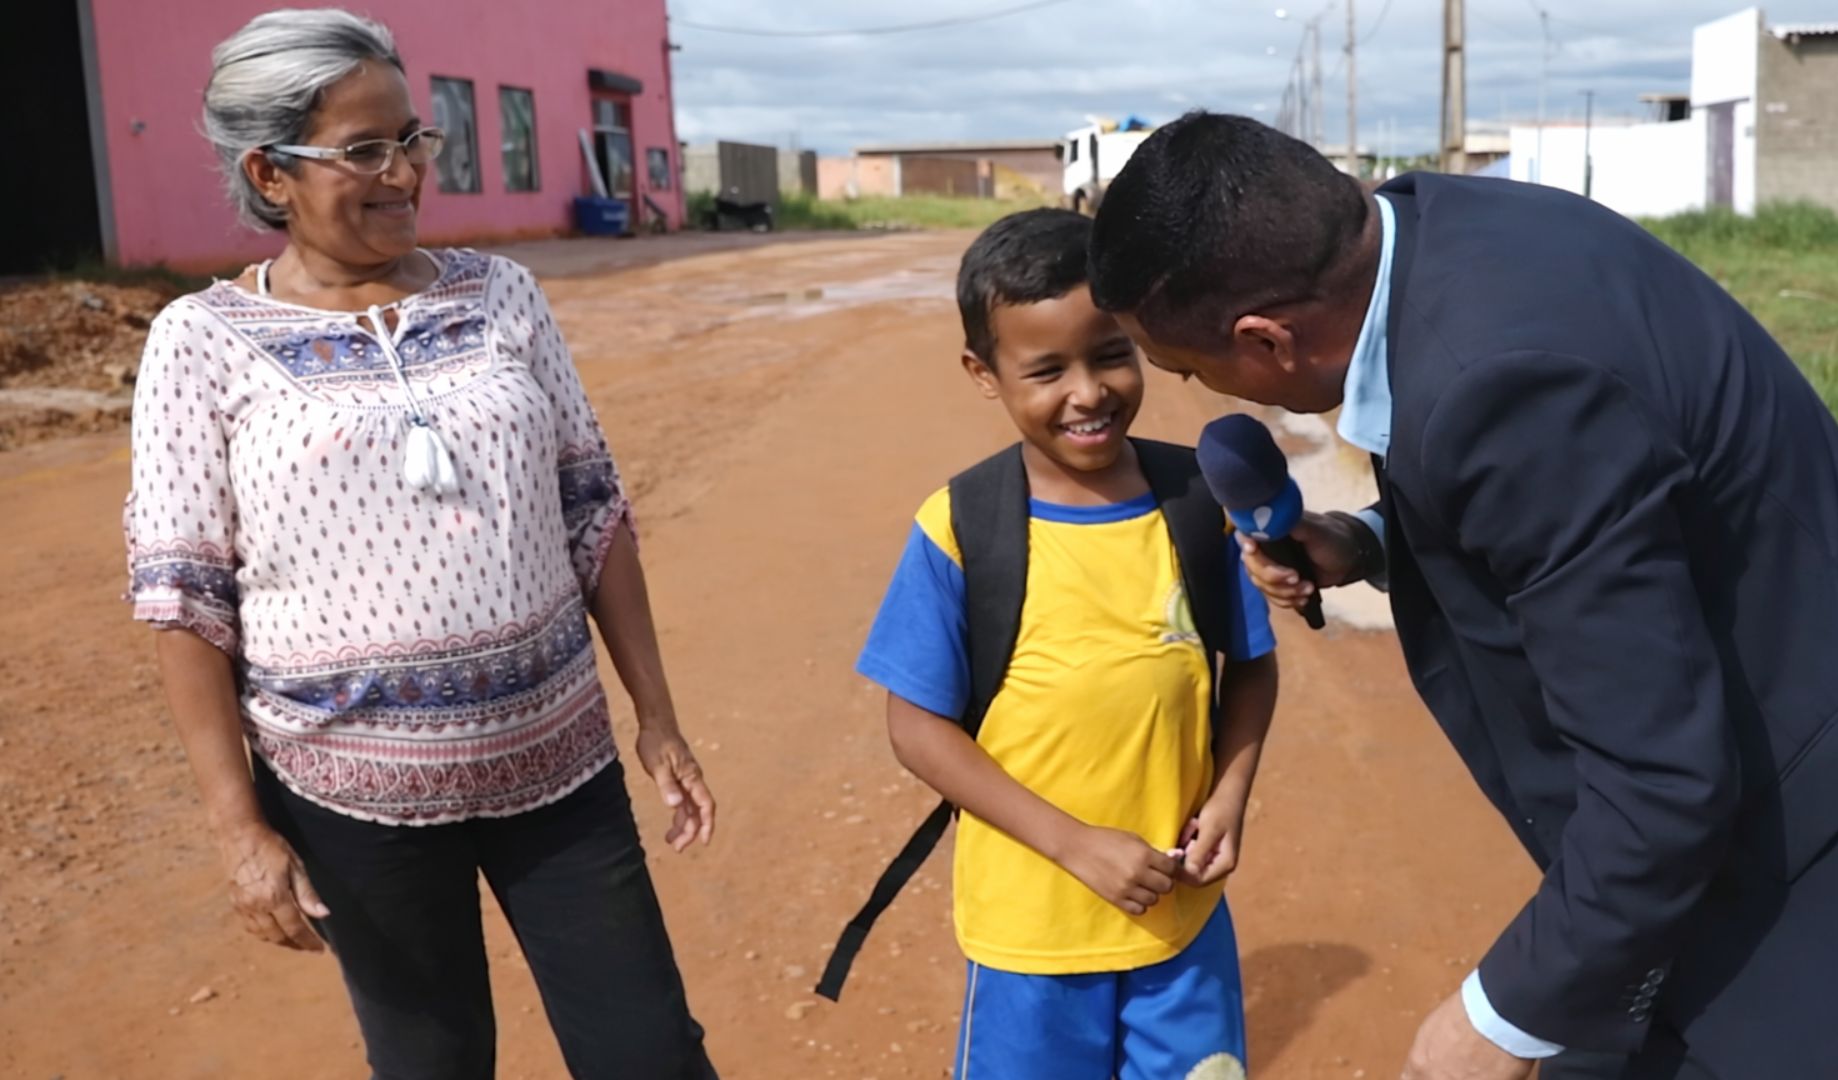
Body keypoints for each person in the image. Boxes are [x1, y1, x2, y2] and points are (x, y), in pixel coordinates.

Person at [1084, 110, 1838, 1080]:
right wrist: (1364, 541)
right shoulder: (1442, 231)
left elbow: (1662, 788)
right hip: (1766, 742)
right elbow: (1594, 520)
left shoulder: (1500, 389)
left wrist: (1497, 1020)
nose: (1208, 395)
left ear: (1268, 340)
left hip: (1814, 833)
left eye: (1195, 371)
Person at [122, 10, 718, 1077]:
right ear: (270, 173)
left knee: (650, 1055)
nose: (403, 171)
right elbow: (185, 593)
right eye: (364, 151)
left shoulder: (502, 296)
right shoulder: (201, 343)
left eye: (413, 138)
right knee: (433, 1063)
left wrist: (657, 715)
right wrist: (237, 828)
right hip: (350, 794)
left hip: (559, 764)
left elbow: (593, 507)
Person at [853, 208, 1280, 1079]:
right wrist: (1073, 843)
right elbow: (917, 728)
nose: (1087, 393)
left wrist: (1231, 796)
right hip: (1031, 943)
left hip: (1181, 929)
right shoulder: (962, 530)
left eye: (1110, 353)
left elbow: (1252, 666)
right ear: (985, 372)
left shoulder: (1196, 501)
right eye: (1046, 370)